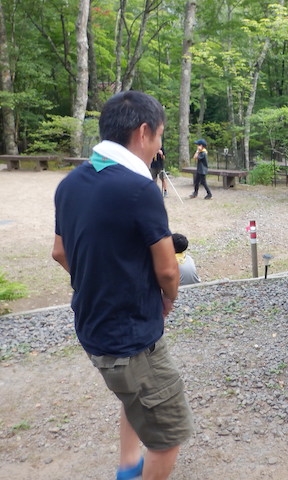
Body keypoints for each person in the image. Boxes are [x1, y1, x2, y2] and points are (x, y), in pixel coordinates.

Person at [51, 90, 193, 479]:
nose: (159, 147)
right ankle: (137, 467)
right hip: (130, 338)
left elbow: (60, 253)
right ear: (144, 132)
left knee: (134, 396)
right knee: (168, 436)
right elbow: (167, 271)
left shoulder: (70, 184)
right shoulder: (140, 188)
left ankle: (129, 465)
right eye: (161, 136)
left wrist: (96, 283)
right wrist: (168, 299)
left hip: (93, 329)